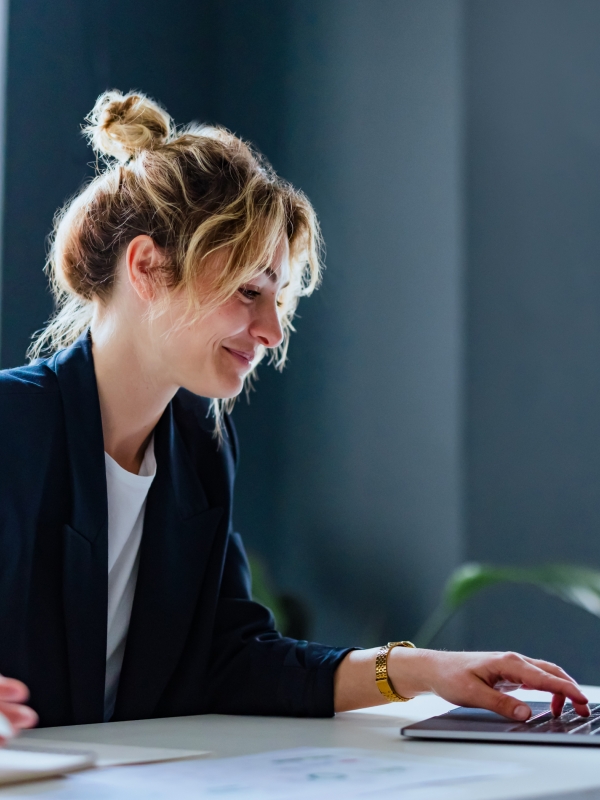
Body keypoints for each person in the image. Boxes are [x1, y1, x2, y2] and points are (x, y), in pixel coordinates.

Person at [0, 91, 589, 739]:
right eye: (250, 291)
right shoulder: (13, 424)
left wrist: (420, 672)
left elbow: (233, 659)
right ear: (146, 266)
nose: (273, 330)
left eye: (279, 297)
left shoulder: (198, 450)